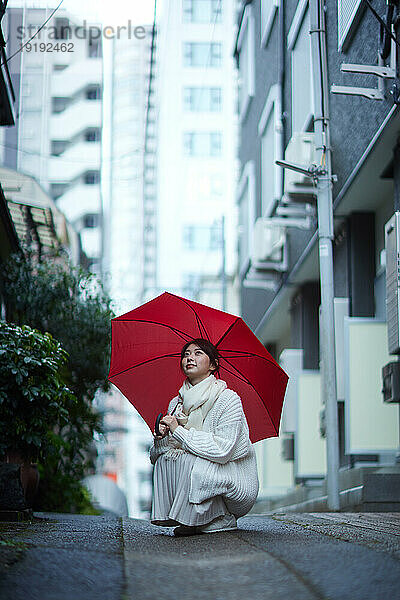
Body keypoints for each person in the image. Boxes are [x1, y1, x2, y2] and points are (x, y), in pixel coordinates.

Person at [149, 338, 259, 536]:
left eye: (198, 353)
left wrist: (179, 431)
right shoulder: (176, 402)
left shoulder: (228, 399)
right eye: (186, 354)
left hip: (229, 471)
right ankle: (191, 519)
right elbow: (156, 455)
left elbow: (222, 450)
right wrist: (161, 438)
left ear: (213, 364)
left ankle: (219, 516)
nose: (189, 358)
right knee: (165, 460)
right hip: (202, 463)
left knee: (191, 459)